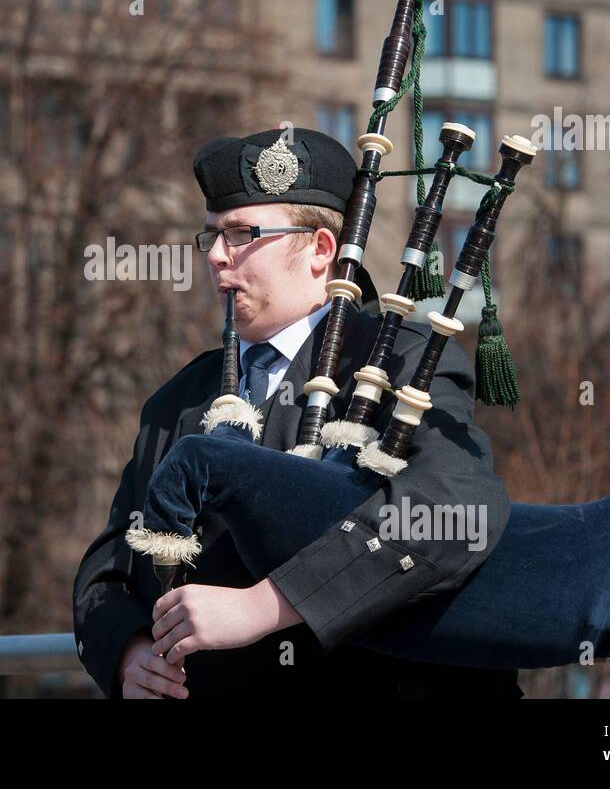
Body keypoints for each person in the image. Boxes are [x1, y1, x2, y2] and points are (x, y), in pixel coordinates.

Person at [72, 126, 522, 699]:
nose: (215, 256)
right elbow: (110, 563)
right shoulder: (180, 398)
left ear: (319, 250)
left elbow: (455, 514)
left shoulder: (405, 363)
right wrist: (127, 651)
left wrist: (267, 605)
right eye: (211, 235)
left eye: (241, 234)